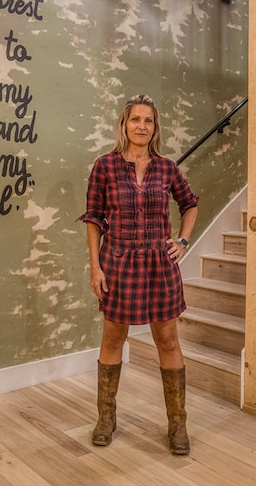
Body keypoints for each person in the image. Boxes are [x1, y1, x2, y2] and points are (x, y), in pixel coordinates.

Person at [77, 93, 199, 455]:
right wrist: (95, 267)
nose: (141, 126)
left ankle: (177, 424)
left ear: (155, 127)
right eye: (135, 119)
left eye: (148, 120)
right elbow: (94, 219)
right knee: (113, 340)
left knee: (168, 341)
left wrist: (182, 241)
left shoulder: (167, 168)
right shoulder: (105, 166)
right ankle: (106, 418)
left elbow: (190, 205)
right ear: (124, 124)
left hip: (160, 266)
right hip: (118, 263)